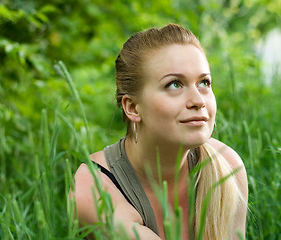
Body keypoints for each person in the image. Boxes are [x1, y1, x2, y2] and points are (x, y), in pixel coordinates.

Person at [71, 23, 248, 240]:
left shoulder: (226, 167)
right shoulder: (93, 187)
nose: (198, 101)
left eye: (204, 82)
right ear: (133, 108)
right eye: (175, 85)